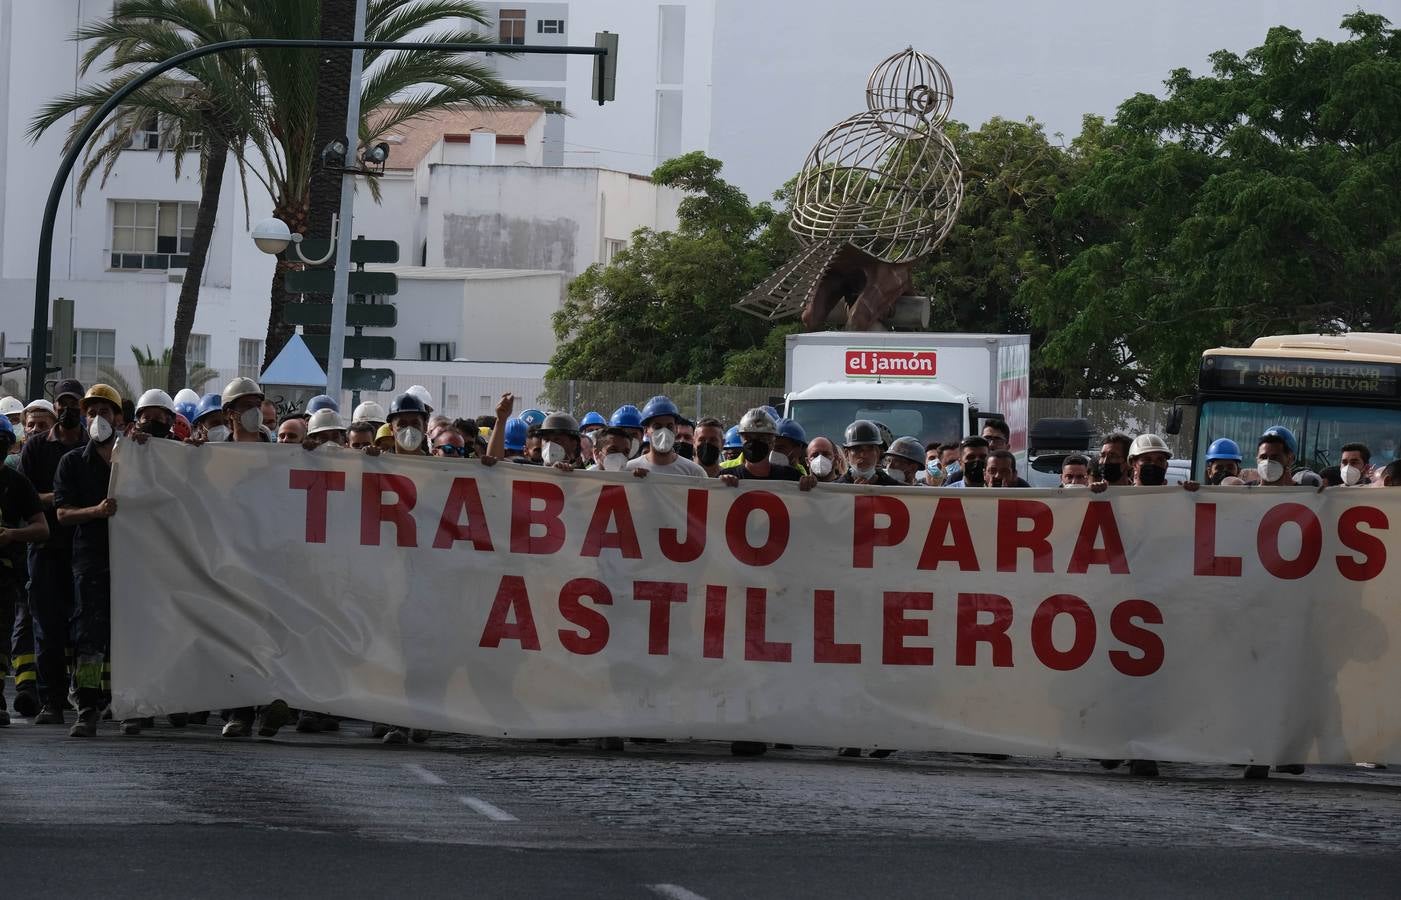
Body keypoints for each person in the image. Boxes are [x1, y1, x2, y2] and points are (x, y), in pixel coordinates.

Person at [53, 384, 125, 737]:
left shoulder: (137, 458)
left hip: (135, 560)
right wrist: (96, 511)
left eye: (105, 411)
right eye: (92, 412)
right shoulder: (72, 462)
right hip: (92, 560)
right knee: (89, 637)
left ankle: (131, 705)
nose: (98, 418)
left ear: (119, 417)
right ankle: (86, 704)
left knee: (133, 632)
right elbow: (63, 514)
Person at [18, 378, 86, 725]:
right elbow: (25, 498)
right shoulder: (36, 449)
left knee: (86, 631)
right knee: (47, 629)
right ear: (54, 405)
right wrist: (63, 500)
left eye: (75, 402)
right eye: (63, 403)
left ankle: (89, 699)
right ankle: (51, 701)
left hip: (85, 551)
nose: (68, 409)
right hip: (45, 549)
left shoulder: (96, 446)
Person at [0, 417, 48, 727]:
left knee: (1, 637)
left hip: (4, 574)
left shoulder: (17, 483)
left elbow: (41, 528)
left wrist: (12, 535)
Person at [628, 397, 708, 477]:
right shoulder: (630, 469)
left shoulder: (694, 472)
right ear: (646, 431)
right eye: (657, 427)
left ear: (676, 429)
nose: (664, 432)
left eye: (669, 426)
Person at [834, 420, 901, 486]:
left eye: (870, 449)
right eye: (857, 449)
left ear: (878, 453)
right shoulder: (832, 490)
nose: (864, 455)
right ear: (846, 454)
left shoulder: (900, 490)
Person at [222, 378, 271, 443]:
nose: (255, 411)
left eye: (258, 405)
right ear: (230, 413)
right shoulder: (219, 451)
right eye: (248, 405)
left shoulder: (277, 450)